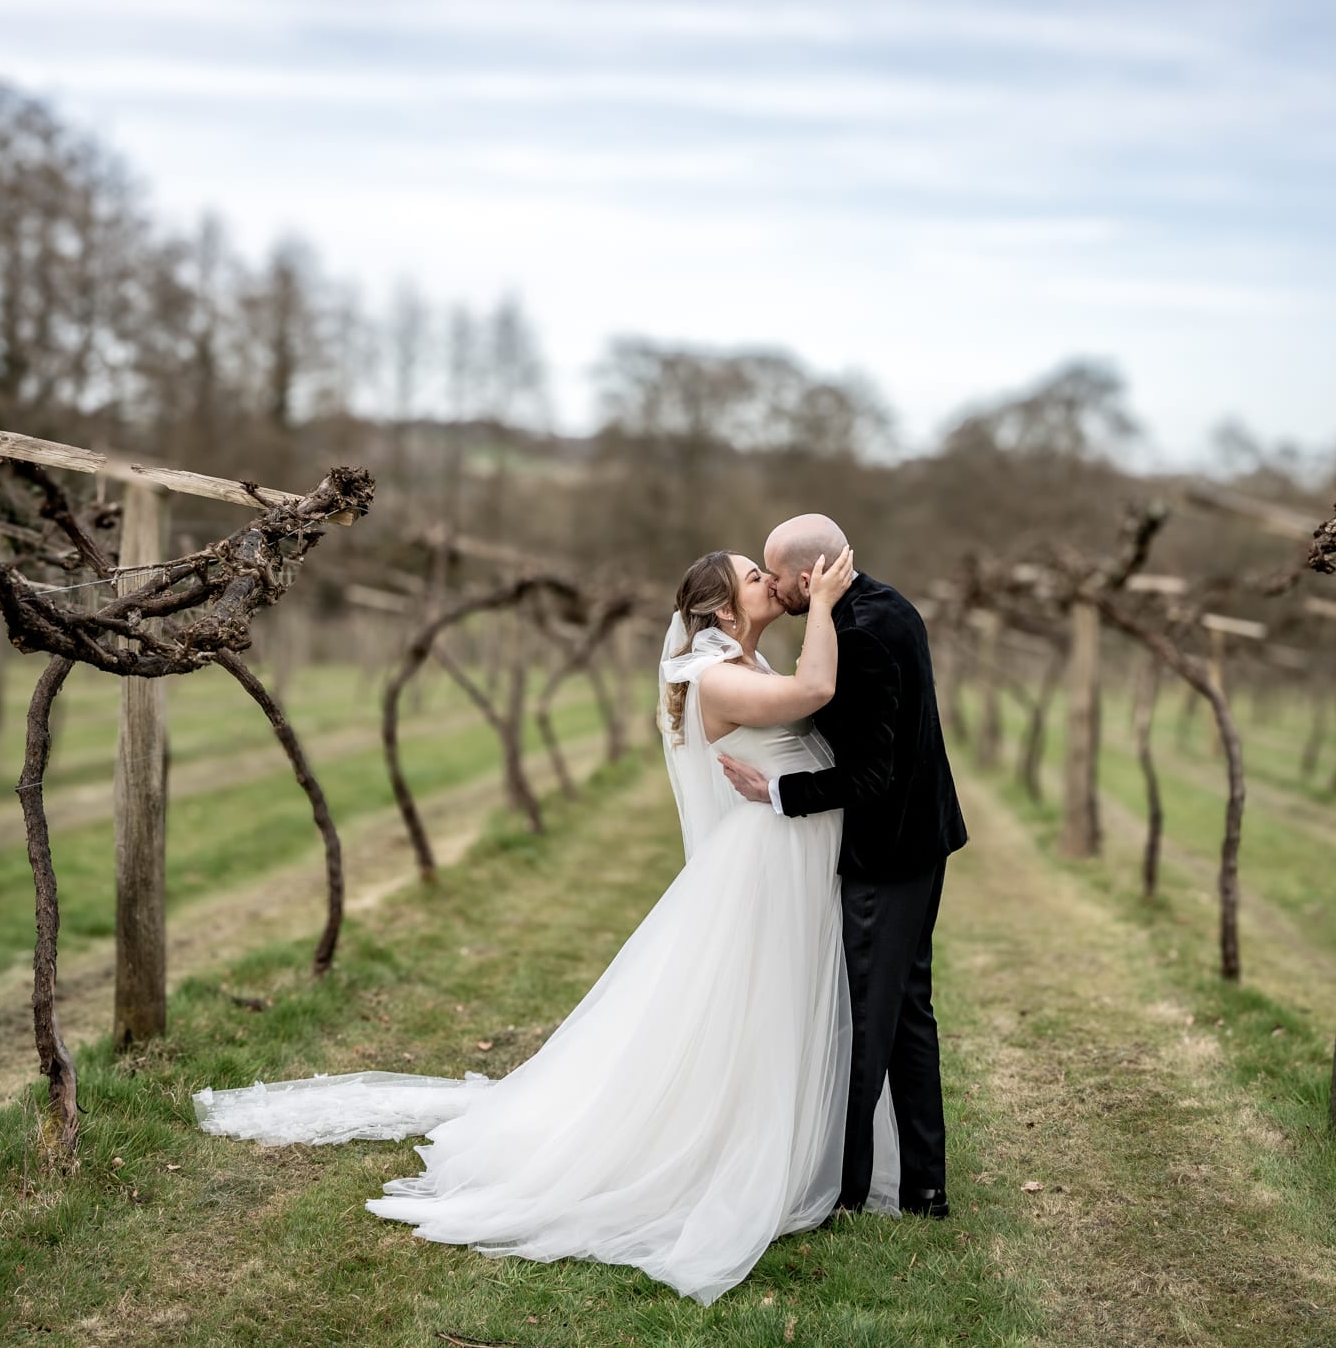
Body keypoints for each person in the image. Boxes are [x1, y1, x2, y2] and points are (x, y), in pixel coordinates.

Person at [193, 544, 900, 1305]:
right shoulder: (718, 675)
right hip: (763, 865)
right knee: (747, 1014)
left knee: (769, 1011)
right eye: (754, 577)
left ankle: (792, 1146)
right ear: (724, 609)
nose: (770, 582)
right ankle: (739, 1151)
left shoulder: (739, 663)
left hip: (776, 857)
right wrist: (824, 605)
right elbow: (817, 685)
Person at [719, 513, 967, 1219]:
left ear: (807, 578)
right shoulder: (888, 602)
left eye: (775, 575)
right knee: (908, 1013)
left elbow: (869, 777)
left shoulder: (856, 635)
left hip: (887, 854)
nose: (771, 587)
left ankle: (844, 1188)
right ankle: (923, 1185)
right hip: (922, 840)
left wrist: (776, 790)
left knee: (865, 1023)